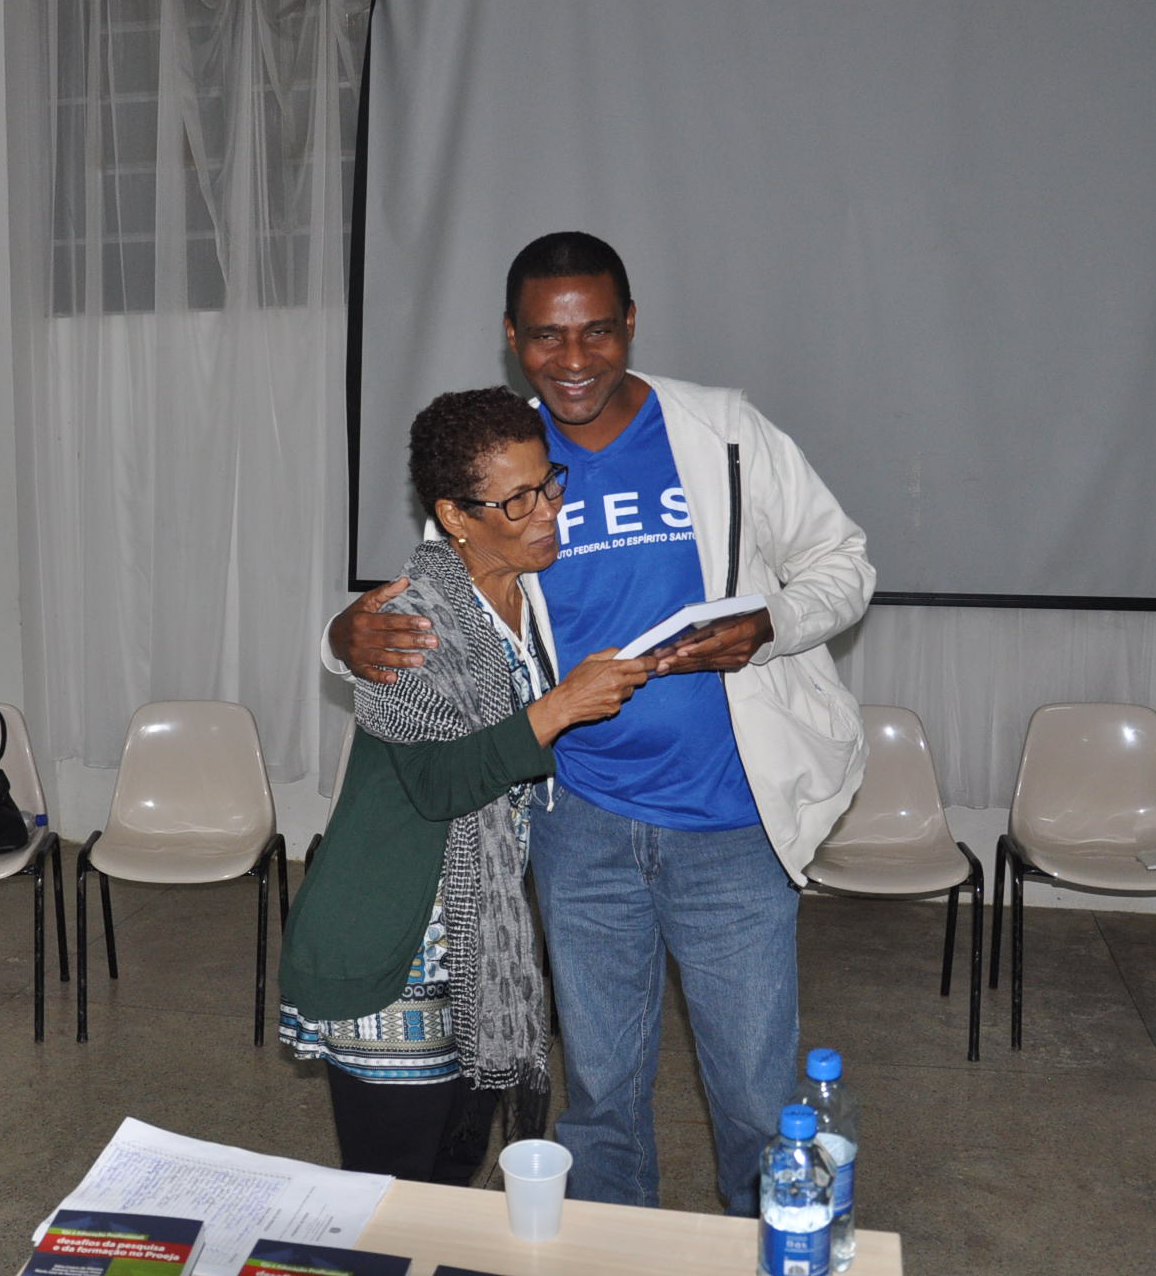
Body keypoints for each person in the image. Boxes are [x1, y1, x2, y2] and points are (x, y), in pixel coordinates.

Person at [326, 232, 873, 1214]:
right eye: (546, 336)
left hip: (732, 826)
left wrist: (771, 623)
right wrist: (340, 635)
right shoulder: (504, 460)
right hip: (577, 825)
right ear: (512, 336)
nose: (573, 359)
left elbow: (844, 564)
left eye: (597, 332)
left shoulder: (719, 430)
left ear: (629, 324)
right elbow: (425, 605)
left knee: (755, 1101)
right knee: (601, 1097)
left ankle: (769, 1246)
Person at [281, 387, 653, 1183]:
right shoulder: (408, 623)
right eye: (517, 501)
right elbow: (440, 784)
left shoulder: (532, 591)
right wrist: (558, 708)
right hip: (396, 942)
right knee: (397, 1192)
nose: (546, 512)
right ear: (454, 516)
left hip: (480, 944)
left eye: (548, 484)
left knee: (454, 1176)